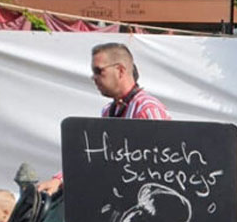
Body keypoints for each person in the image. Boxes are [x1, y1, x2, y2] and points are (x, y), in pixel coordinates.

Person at [37, 43, 171, 195]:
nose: (93, 77)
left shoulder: (147, 108)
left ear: (120, 70)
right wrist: (59, 179)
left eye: (98, 71)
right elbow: (95, 156)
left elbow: (163, 164)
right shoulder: (109, 110)